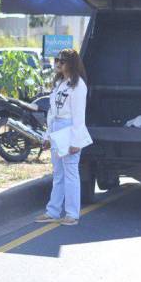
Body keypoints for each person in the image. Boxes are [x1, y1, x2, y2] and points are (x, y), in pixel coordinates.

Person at [35, 49, 92, 226]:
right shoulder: (60, 83)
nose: (58, 64)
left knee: (71, 173)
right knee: (58, 173)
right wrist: (47, 136)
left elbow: (78, 116)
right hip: (57, 128)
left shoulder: (78, 85)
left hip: (70, 128)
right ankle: (52, 211)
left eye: (62, 61)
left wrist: (75, 142)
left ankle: (72, 214)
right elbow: (52, 112)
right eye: (57, 60)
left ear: (72, 64)